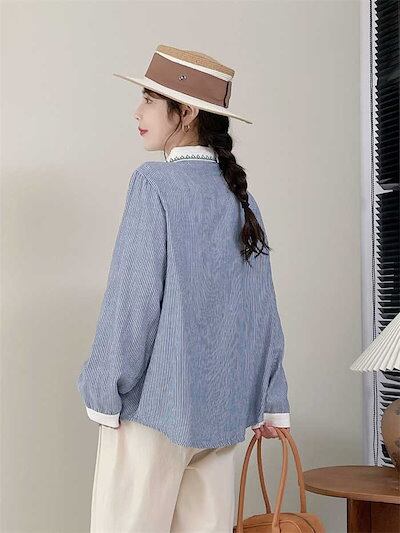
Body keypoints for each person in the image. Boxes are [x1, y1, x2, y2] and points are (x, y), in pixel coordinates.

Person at [77, 44, 291, 533]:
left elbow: (133, 302)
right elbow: (260, 310)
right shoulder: (243, 199)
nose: (137, 112)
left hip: (152, 417)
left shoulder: (154, 185)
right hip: (221, 418)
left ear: (188, 111)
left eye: (150, 99)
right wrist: (271, 397)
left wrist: (104, 387)